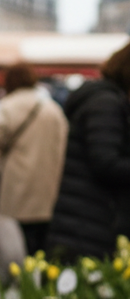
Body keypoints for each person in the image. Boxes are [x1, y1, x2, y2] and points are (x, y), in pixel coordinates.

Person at [48, 43, 130, 260]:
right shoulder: (106, 104)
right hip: (89, 221)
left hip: (85, 217)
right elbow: (105, 162)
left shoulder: (105, 100)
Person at [0, 63, 68, 256]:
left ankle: (22, 281)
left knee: (16, 243)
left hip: (17, 183)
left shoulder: (7, 106)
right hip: (48, 183)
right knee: (42, 241)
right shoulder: (52, 108)